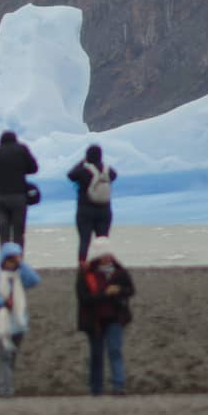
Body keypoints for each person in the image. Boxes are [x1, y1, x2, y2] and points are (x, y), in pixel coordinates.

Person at [0, 241, 40, 398]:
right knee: (5, 357)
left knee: (11, 357)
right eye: (10, 259)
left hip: (18, 324)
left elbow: (35, 280)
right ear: (3, 260)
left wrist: (21, 264)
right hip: (0, 324)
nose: (12, 263)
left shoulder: (20, 276)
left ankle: (7, 387)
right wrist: (2, 301)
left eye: (15, 260)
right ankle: (6, 391)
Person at [76, 236, 135, 396]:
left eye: (108, 254)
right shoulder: (86, 274)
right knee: (96, 353)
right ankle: (96, 388)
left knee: (115, 350)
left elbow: (130, 290)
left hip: (115, 317)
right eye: (103, 255)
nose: (106, 257)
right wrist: (106, 294)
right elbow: (85, 299)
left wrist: (120, 291)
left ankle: (119, 386)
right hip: (93, 319)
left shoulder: (119, 271)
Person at [0, 130, 39, 248]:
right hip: (19, 197)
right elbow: (33, 168)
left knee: (3, 230)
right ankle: (18, 260)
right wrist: (20, 171)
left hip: (1, 197)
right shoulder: (22, 150)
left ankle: (6, 259)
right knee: (18, 231)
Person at [66, 144, 117, 262]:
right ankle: (103, 266)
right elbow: (114, 176)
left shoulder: (84, 170)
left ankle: (82, 265)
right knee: (103, 240)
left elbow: (71, 175)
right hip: (104, 210)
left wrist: (82, 162)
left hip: (85, 210)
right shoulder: (108, 170)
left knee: (85, 240)